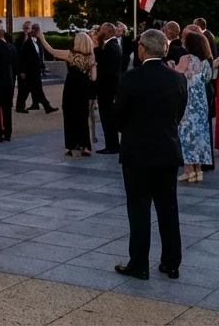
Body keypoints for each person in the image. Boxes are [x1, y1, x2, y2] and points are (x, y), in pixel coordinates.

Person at [114, 29, 187, 281]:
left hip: (138, 152)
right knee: (168, 208)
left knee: (139, 208)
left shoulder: (132, 78)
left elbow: (118, 116)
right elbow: (179, 113)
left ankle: (139, 263)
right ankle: (171, 262)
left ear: (142, 49)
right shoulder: (177, 79)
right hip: (167, 150)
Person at [43, 31, 97, 157]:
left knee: (69, 116)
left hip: (71, 87)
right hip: (84, 87)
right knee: (83, 117)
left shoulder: (71, 55)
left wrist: (42, 38)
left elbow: (52, 51)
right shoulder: (91, 57)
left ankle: (71, 146)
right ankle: (85, 146)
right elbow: (94, 77)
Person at [175, 31, 214, 182]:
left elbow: (177, 74)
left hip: (188, 100)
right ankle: (199, 170)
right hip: (201, 102)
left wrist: (171, 65)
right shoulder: (205, 62)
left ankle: (188, 170)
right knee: (200, 135)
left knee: (186, 134)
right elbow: (208, 79)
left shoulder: (186, 58)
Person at [94, 23, 124, 155]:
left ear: (108, 32)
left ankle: (112, 146)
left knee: (108, 118)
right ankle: (111, 144)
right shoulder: (111, 46)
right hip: (108, 88)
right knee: (107, 118)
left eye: (101, 30)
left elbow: (103, 63)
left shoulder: (111, 47)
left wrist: (95, 44)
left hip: (108, 89)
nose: (99, 32)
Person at [17, 24, 57, 114]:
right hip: (30, 71)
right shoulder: (27, 43)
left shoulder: (37, 42)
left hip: (35, 70)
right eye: (39, 31)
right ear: (34, 31)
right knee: (30, 89)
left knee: (35, 89)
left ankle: (46, 106)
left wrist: (43, 67)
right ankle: (46, 107)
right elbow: (23, 57)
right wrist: (22, 70)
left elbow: (39, 56)